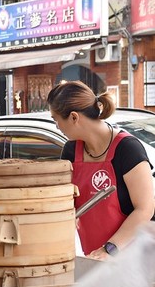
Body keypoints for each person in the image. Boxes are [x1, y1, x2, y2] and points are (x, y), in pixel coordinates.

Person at [47, 80, 154, 260]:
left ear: (74, 117)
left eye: (56, 120)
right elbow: (66, 200)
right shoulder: (71, 151)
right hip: (93, 258)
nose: (57, 125)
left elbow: (145, 209)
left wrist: (110, 249)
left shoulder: (127, 149)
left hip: (132, 258)